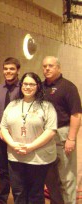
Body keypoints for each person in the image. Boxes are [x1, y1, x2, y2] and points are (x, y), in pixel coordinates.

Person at [0, 72, 57, 204]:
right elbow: (3, 127)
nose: (28, 87)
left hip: (38, 158)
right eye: (25, 84)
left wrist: (31, 147)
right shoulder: (12, 105)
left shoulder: (47, 106)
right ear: (21, 86)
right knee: (18, 191)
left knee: (35, 193)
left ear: (38, 86)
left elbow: (51, 130)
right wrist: (13, 144)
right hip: (16, 156)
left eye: (31, 84)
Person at [42, 56, 81, 204]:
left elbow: (76, 114)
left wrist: (71, 138)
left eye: (51, 66)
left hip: (63, 133)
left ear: (59, 68)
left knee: (67, 177)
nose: (47, 69)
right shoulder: (41, 87)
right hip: (46, 136)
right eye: (44, 66)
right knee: (51, 177)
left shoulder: (68, 87)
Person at [0, 57, 21, 204]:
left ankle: (18, 198)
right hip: (1, 137)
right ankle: (2, 198)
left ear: (17, 70)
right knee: (2, 170)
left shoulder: (24, 87)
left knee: (17, 170)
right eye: (6, 69)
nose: (8, 71)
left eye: (12, 69)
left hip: (18, 137)